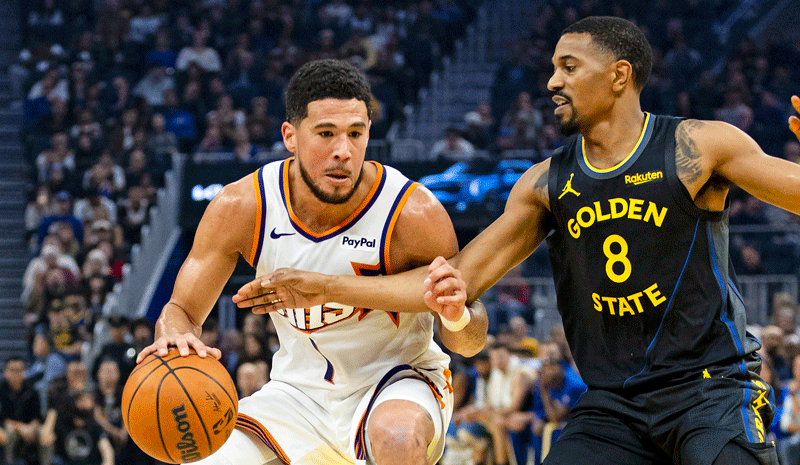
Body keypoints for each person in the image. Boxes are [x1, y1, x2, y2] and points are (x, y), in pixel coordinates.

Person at [241, 17, 800, 465]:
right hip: (614, 405)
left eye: (568, 66)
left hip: (711, 389)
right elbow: (451, 283)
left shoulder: (699, 146)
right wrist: (321, 285)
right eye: (552, 68)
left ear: (619, 75)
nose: (552, 81)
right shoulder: (544, 184)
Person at [137, 58, 488, 465]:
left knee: (396, 436)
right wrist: (172, 336)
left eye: (356, 134)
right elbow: (181, 310)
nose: (343, 151)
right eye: (326, 133)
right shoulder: (242, 206)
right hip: (296, 394)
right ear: (290, 135)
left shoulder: (413, 214)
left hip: (397, 382)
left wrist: (458, 317)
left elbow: (468, 341)